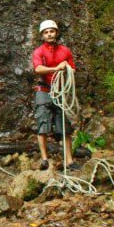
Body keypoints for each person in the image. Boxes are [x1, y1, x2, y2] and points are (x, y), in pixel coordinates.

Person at [32, 19, 77, 171]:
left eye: (52, 31)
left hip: (60, 91)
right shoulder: (39, 52)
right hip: (43, 91)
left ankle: (69, 161)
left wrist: (66, 68)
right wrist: (57, 68)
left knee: (64, 126)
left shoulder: (65, 51)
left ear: (56, 33)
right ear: (42, 35)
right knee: (42, 124)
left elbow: (73, 69)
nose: (49, 34)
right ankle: (44, 159)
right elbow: (38, 69)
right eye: (46, 32)